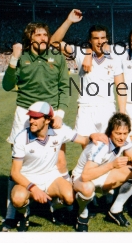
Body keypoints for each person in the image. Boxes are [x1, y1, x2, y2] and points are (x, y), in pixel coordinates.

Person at [0, 22, 70, 231]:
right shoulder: (22, 58)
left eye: (45, 35)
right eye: (37, 35)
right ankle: (13, 214)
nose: (42, 38)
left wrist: (60, 114)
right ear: (30, 38)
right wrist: (13, 59)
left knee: (59, 159)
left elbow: (64, 87)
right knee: (18, 163)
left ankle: (56, 207)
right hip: (25, 112)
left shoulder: (57, 57)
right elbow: (7, 85)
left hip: (51, 114)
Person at [9, 101, 107, 232]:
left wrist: (92, 136)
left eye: (36, 118)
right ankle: (24, 213)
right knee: (18, 199)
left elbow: (83, 140)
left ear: (48, 120)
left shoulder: (59, 131)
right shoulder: (21, 138)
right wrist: (33, 188)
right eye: (31, 117)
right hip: (28, 178)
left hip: (51, 177)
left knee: (70, 198)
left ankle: (53, 208)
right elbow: (14, 173)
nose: (31, 121)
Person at [50, 9, 124, 145]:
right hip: (86, 107)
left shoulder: (115, 57)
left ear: (107, 38)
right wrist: (69, 21)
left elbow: (121, 87)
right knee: (87, 150)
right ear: (90, 40)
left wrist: (123, 113)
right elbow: (54, 43)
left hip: (107, 107)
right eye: (96, 38)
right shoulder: (81, 53)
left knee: (109, 149)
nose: (99, 41)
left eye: (102, 38)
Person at [71, 113, 132, 231]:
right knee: (88, 188)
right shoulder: (101, 145)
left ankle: (115, 210)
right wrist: (112, 165)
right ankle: (82, 215)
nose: (122, 137)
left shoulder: (125, 140)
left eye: (125, 133)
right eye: (118, 133)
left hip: (102, 174)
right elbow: (85, 176)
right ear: (110, 132)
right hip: (80, 178)